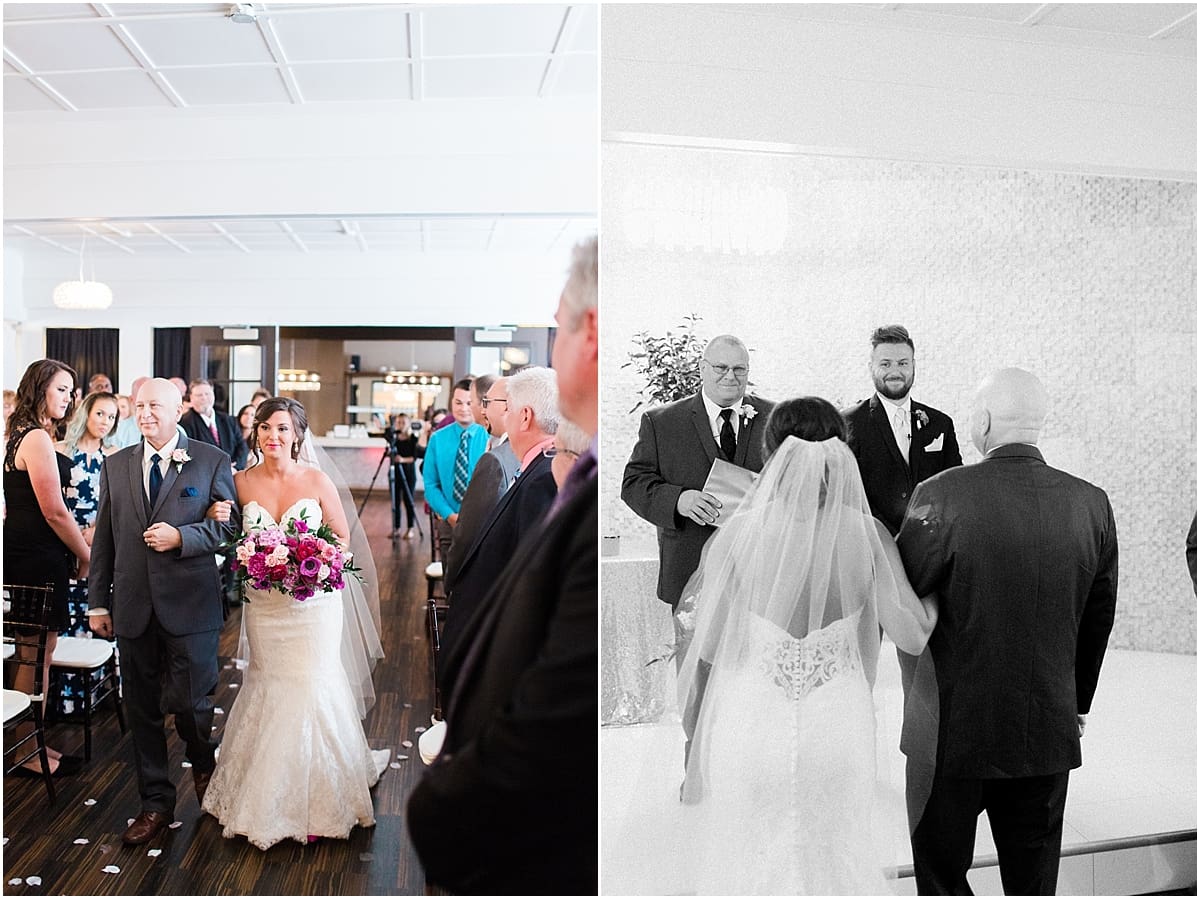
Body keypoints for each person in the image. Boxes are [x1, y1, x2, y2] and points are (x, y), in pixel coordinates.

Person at [674, 396, 936, 895]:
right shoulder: (867, 534)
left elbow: (710, 648)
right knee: (834, 857)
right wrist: (938, 597)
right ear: (842, 454)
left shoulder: (737, 536)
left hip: (753, 723)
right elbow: (913, 634)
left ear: (771, 455)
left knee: (753, 860)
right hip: (836, 725)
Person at [407, 236, 599, 894]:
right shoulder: (565, 476)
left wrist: (439, 806)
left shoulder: (583, 490)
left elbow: (558, 706)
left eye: (558, 326)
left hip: (517, 841)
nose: (553, 345)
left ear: (589, 333)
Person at [896, 368, 1118, 895]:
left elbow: (905, 603)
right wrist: (1075, 703)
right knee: (1033, 881)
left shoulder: (940, 494)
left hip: (949, 729)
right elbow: (1098, 617)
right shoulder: (1092, 502)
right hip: (1045, 725)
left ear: (984, 421)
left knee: (942, 876)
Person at [199, 397, 389, 849]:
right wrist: (219, 522)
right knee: (271, 682)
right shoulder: (240, 482)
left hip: (314, 606)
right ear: (256, 433)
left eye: (282, 428)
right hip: (265, 606)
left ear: (298, 434)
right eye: (265, 428)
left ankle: (324, 793)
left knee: (311, 682)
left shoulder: (317, 479)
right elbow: (226, 534)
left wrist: (319, 560)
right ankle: (265, 789)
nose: (273, 436)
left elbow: (341, 538)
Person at [87, 378, 237, 844]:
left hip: (191, 605)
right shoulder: (117, 464)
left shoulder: (212, 459)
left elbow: (231, 531)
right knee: (142, 710)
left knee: (193, 705)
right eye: (138, 405)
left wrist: (183, 537)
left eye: (154, 404)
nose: (144, 412)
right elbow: (105, 541)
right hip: (132, 604)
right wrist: (97, 602)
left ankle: (203, 764)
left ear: (179, 408)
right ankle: (154, 803)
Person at [622, 334, 774, 767]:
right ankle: (698, 763)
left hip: (759, 570)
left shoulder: (773, 417)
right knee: (697, 671)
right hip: (690, 568)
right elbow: (633, 484)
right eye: (721, 368)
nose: (731, 376)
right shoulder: (661, 422)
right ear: (703, 369)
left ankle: (749, 761)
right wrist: (678, 500)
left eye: (739, 369)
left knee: (755, 672)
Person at [440, 367, 560, 677]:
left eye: (509, 409)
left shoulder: (543, 479)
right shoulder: (538, 468)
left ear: (523, 417)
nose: (501, 417)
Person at [3, 359, 92, 777]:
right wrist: (86, 555)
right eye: (61, 389)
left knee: (33, 653)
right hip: (36, 556)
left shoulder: (22, 434)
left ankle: (29, 740)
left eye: (71, 390)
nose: (69, 397)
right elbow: (54, 512)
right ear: (39, 389)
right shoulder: (35, 437)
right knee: (35, 655)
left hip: (32, 554)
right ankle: (23, 748)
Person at [844, 324, 961, 537]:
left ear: (914, 366)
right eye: (885, 364)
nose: (895, 372)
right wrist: (889, 537)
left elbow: (954, 487)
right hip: (873, 542)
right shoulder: (848, 423)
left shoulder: (940, 423)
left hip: (933, 545)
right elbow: (848, 494)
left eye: (903, 363)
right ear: (871, 366)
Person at [53, 391, 119, 717]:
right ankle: (67, 700)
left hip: (101, 545)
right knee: (67, 618)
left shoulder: (114, 457)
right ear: (86, 414)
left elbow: (118, 506)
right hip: (66, 540)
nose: (105, 422)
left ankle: (99, 692)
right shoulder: (61, 452)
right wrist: (76, 536)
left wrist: (96, 533)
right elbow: (52, 501)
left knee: (97, 613)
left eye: (111, 417)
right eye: (100, 414)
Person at [443, 376, 519, 590]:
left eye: (485, 403)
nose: (481, 410)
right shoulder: (496, 446)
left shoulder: (500, 458)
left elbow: (469, 535)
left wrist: (451, 582)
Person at [421, 379, 488, 564]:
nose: (463, 408)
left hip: (483, 522)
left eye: (469, 403)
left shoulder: (489, 436)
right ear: (451, 402)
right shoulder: (437, 439)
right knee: (450, 581)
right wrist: (450, 516)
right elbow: (430, 484)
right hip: (448, 521)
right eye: (458, 402)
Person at [180, 379, 249, 471]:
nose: (204, 398)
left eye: (207, 394)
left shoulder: (228, 420)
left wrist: (236, 467)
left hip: (233, 475)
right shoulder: (185, 423)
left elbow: (242, 446)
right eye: (199, 395)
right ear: (191, 398)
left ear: (213, 395)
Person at [385, 412, 424, 539]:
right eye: (398, 422)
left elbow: (414, 457)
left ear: (408, 424)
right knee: (395, 501)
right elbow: (386, 435)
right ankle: (396, 528)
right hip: (394, 473)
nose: (400, 425)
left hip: (408, 473)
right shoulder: (394, 438)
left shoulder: (413, 438)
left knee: (408, 501)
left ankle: (410, 528)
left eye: (403, 422)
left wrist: (401, 459)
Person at [112, 376, 150, 448]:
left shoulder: (174, 429)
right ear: (132, 399)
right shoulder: (119, 431)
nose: (148, 402)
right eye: (142, 396)